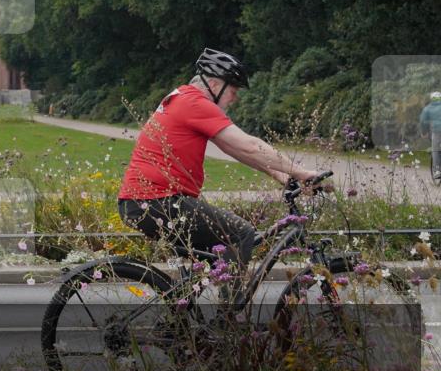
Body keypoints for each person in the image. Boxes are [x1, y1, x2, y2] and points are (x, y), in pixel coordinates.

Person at [117, 48, 329, 269]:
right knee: (241, 234)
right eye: (233, 90)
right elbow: (250, 146)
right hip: (158, 201)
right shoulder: (195, 103)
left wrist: (283, 176)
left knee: (213, 261)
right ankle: (229, 293)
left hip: (144, 202)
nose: (235, 98)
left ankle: (199, 290)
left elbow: (235, 148)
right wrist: (302, 173)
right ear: (214, 84)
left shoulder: (183, 97)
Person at [421, 91, 441, 182]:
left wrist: (424, 132)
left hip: (437, 132)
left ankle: (437, 170)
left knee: (435, 149)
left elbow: (423, 121)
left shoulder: (428, 108)